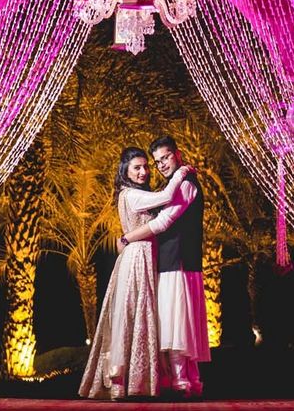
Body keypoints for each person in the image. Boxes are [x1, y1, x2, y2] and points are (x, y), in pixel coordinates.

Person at [79, 146, 194, 401]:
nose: (143, 172)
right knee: (130, 315)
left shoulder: (139, 194)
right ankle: (120, 382)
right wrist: (181, 172)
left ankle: (141, 381)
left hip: (146, 256)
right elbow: (166, 196)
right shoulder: (130, 194)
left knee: (145, 317)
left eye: (145, 167)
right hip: (136, 259)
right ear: (125, 171)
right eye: (137, 167)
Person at [115, 134, 209, 398]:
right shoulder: (176, 184)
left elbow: (163, 223)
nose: (161, 165)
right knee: (180, 323)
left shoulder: (185, 183)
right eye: (157, 161)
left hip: (177, 262)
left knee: (176, 324)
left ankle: (182, 382)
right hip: (177, 261)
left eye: (165, 157)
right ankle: (189, 381)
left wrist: (127, 237)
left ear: (177, 154)